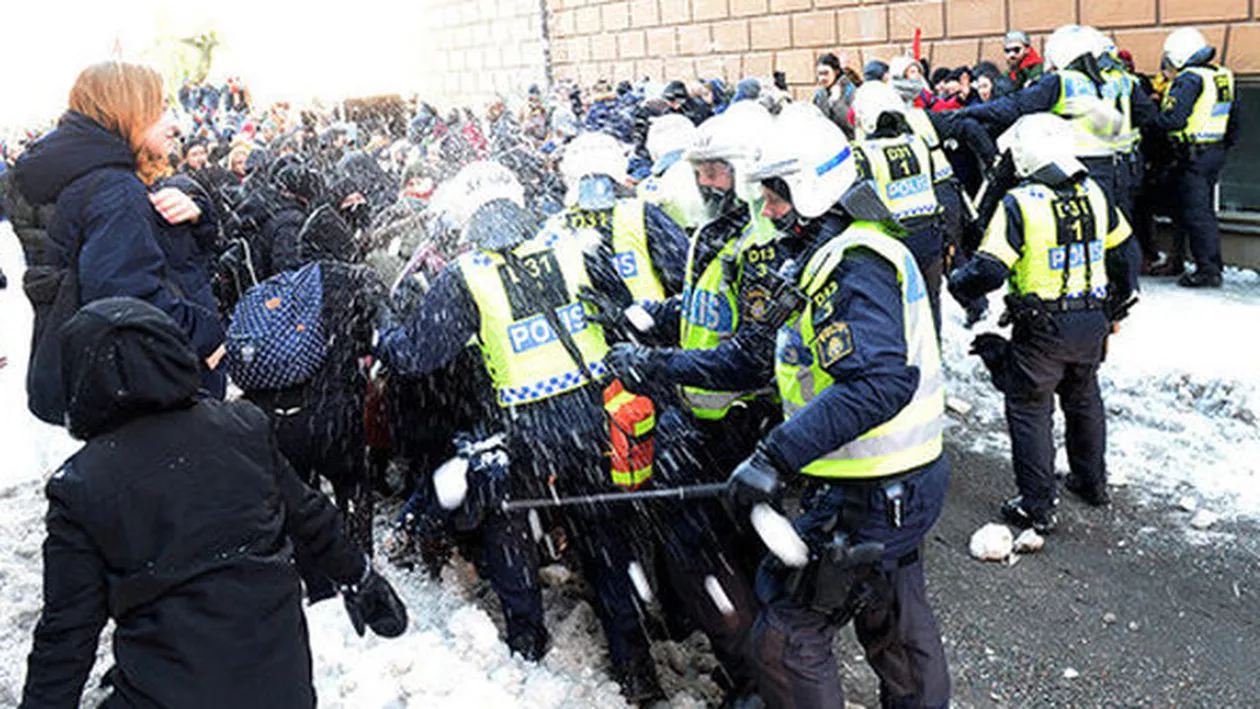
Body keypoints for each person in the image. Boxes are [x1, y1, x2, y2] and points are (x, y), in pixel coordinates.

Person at [20, 296, 406, 709]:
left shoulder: (82, 486)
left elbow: (68, 634)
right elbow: (312, 517)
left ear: (80, 380)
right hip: (281, 688)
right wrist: (362, 579)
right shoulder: (242, 428)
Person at [377, 162, 663, 702]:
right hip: (595, 415)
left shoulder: (467, 275)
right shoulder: (572, 245)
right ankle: (637, 666)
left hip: (524, 430)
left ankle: (525, 648)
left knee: (509, 530)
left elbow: (417, 354)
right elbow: (627, 312)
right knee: (607, 539)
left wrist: (385, 332)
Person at [725, 103, 951, 709]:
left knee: (790, 631)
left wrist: (774, 456)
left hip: (871, 487)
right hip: (906, 477)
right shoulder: (857, 246)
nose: (769, 212)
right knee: (896, 617)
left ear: (808, 186)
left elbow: (879, 384)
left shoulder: (853, 262)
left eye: (775, 197)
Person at [947, 114, 1138, 532]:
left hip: (1042, 328)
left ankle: (1037, 506)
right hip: (1091, 319)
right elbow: (1125, 253)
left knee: (1029, 408)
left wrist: (959, 282)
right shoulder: (1094, 192)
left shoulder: (1021, 203)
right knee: (1084, 396)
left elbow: (991, 270)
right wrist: (1118, 306)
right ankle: (1091, 483)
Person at [13, 61, 226, 425]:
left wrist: (198, 215)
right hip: (158, 391)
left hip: (123, 391)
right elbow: (128, 304)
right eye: (160, 109)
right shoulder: (116, 188)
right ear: (130, 112)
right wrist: (207, 335)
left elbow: (146, 258)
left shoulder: (95, 178)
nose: (172, 123)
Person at [545, 131, 688, 307]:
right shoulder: (641, 213)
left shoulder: (554, 229)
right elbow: (682, 276)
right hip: (650, 325)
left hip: (595, 332)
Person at [1148, 27, 1238, 288]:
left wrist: (1152, 112)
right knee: (1191, 210)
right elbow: (1235, 118)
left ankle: (1208, 270)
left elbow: (1173, 120)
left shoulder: (1189, 78)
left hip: (1193, 154)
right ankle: (1184, 261)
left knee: (1197, 213)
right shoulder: (1222, 76)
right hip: (1213, 151)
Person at [814, 53, 858, 136]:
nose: (822, 78)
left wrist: (836, 102)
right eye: (820, 74)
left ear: (836, 72)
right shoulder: (819, 94)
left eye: (826, 73)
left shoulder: (850, 90)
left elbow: (852, 124)